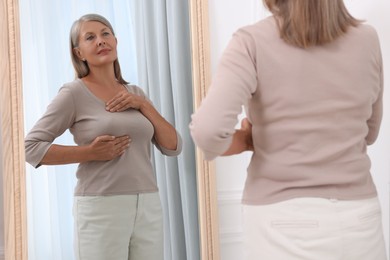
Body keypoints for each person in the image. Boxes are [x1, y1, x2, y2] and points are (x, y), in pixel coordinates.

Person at [190, 0, 387, 259]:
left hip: (282, 222)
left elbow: (208, 133)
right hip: (360, 219)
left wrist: (247, 139)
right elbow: (369, 133)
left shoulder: (251, 42)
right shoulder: (367, 39)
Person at [25, 13, 182, 260]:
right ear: (79, 53)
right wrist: (89, 153)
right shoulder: (73, 93)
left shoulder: (135, 93)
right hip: (101, 206)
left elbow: (173, 146)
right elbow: (30, 147)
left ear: (116, 42)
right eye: (90, 37)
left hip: (148, 203)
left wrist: (144, 105)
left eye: (105, 34)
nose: (101, 41)